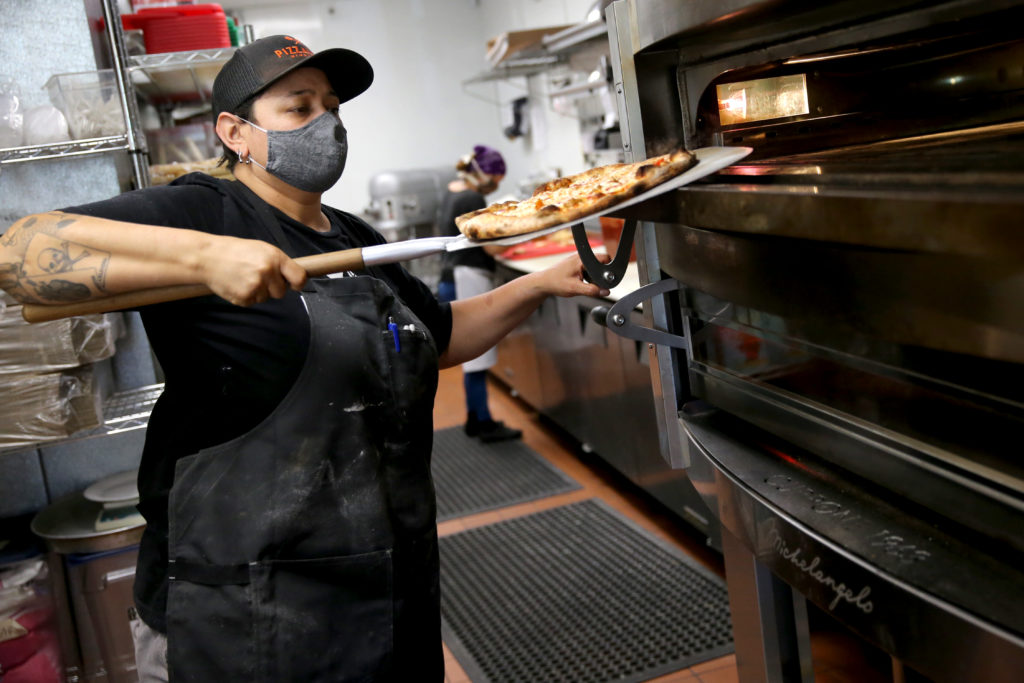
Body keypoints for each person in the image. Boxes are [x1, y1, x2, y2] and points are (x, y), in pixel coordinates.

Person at [0, 35, 609, 682]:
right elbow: (19, 253)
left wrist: (538, 285)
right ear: (236, 132)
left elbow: (444, 334)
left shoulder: (354, 235)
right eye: (299, 108)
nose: (327, 124)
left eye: (333, 107)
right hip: (241, 608)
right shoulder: (202, 211)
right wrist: (205, 257)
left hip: (383, 587)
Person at [438, 145, 522, 442]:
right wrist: (525, 235)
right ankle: (481, 421)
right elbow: (490, 247)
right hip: (468, 277)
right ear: (484, 175)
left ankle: (476, 416)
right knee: (478, 357)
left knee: (471, 358)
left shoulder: (453, 190)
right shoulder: (472, 197)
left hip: (451, 277)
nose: (497, 183)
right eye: (497, 178)